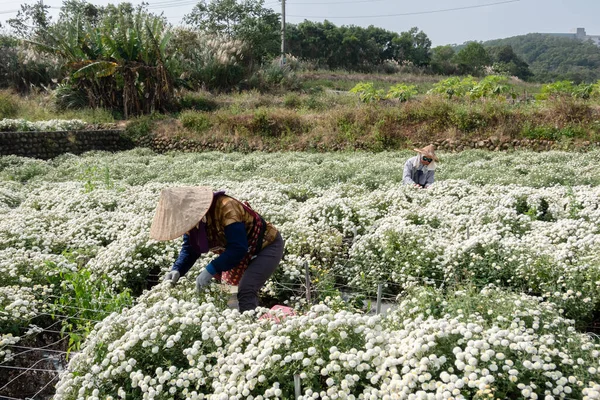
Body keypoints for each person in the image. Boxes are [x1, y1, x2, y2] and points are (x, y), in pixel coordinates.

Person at [149, 186, 284, 313]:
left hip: (265, 246)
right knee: (229, 294)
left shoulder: (227, 208)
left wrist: (210, 269)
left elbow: (238, 248)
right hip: (235, 253)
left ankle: (251, 327)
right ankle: (235, 325)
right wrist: (177, 269)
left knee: (246, 290)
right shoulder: (191, 222)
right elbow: (190, 248)